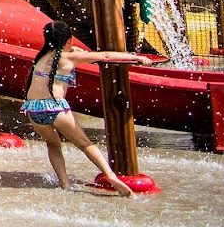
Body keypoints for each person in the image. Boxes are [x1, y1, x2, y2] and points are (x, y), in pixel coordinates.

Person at [20, 19, 146, 195]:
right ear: (69, 39)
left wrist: (73, 49)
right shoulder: (69, 57)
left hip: (33, 109)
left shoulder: (40, 57)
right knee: (85, 144)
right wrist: (136, 58)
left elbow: (64, 54)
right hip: (55, 108)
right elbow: (105, 56)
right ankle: (112, 177)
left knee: (53, 145)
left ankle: (65, 184)